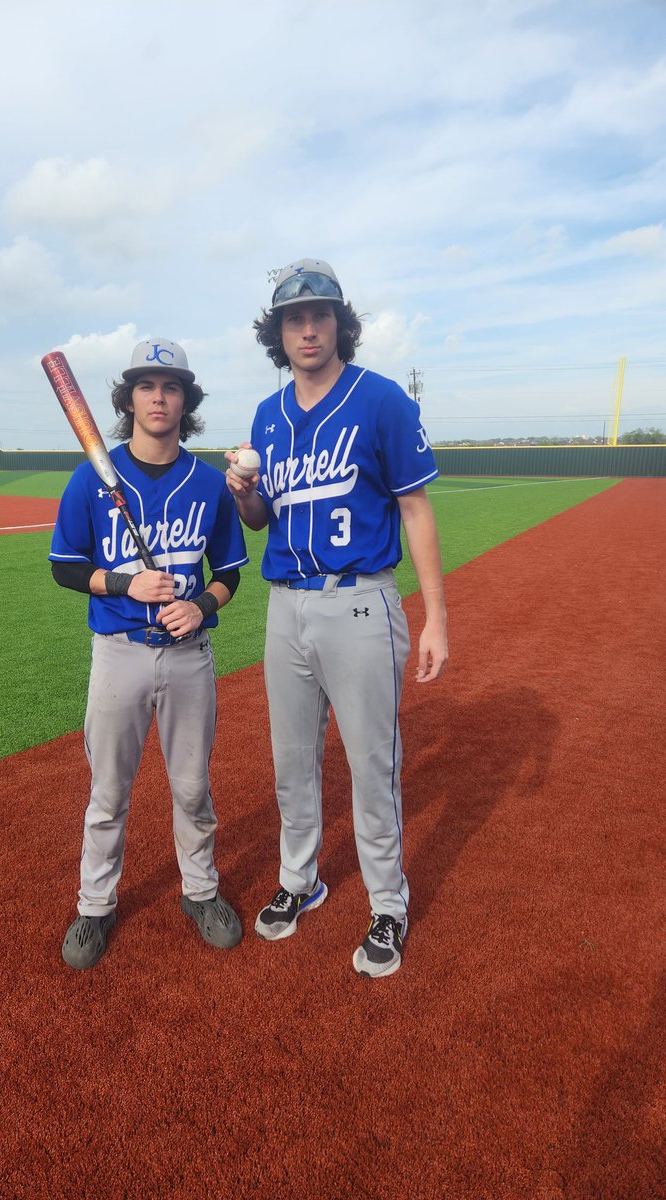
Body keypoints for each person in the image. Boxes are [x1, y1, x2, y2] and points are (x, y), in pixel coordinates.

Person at [225, 260, 448, 978]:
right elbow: (262, 520)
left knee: (370, 765)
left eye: (320, 315)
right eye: (295, 319)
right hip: (286, 606)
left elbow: (415, 507)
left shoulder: (380, 400)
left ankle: (388, 904)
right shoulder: (267, 414)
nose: (309, 328)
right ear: (278, 332)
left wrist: (437, 617)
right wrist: (243, 494)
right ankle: (301, 882)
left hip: (360, 600)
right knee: (292, 761)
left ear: (339, 323)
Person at [50, 337, 249, 969]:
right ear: (129, 398)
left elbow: (231, 573)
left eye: (170, 387)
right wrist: (122, 582)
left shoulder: (210, 484)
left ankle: (200, 891)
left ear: (185, 400)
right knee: (109, 792)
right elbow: (63, 566)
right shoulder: (93, 476)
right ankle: (95, 906)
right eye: (145, 386)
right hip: (118, 652)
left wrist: (203, 605)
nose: (158, 397)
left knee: (192, 788)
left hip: (189, 655)